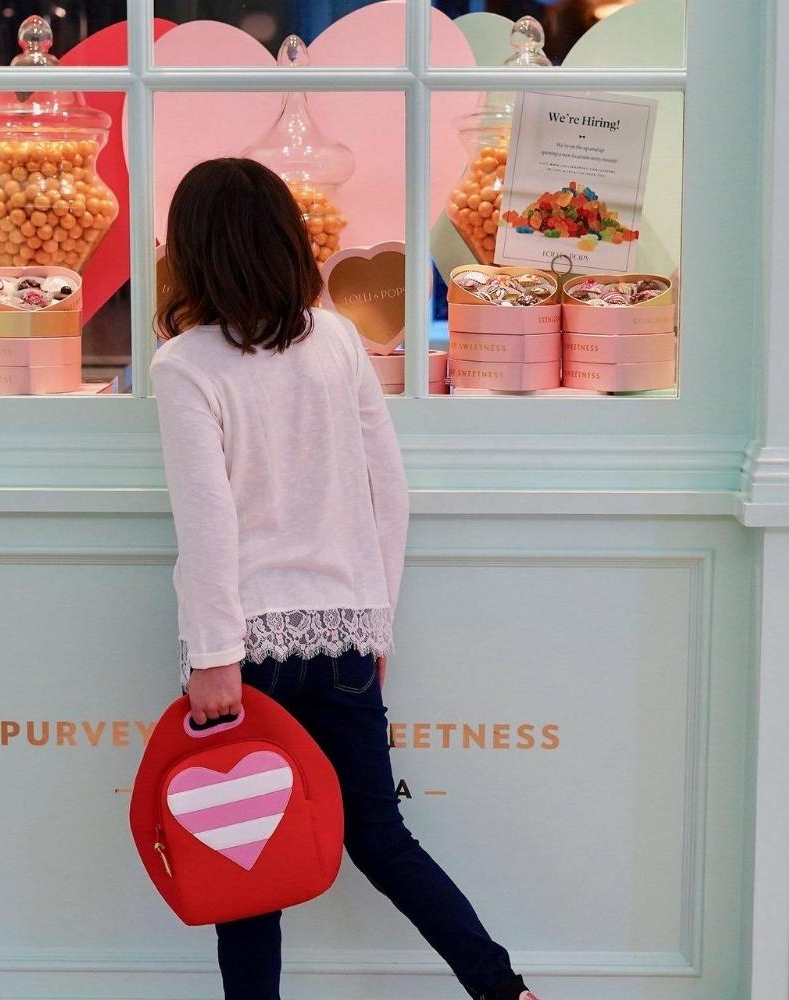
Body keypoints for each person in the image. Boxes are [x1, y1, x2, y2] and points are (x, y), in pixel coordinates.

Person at [150, 157, 543, 1000]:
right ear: (288, 242)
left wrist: (213, 656)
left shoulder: (184, 364)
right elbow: (387, 493)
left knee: (246, 868)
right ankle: (503, 990)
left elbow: (207, 525)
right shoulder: (334, 339)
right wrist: (376, 620)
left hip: (245, 651)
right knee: (383, 839)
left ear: (192, 252)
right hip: (343, 634)